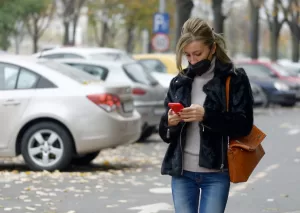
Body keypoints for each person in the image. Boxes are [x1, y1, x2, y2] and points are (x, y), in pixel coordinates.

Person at [158, 18, 254, 213]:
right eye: (188, 55)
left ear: (212, 48)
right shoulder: (180, 81)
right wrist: (169, 122)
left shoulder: (234, 79)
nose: (193, 61)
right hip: (182, 173)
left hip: (216, 174)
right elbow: (166, 134)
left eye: (197, 54)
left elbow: (244, 125)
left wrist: (207, 116)